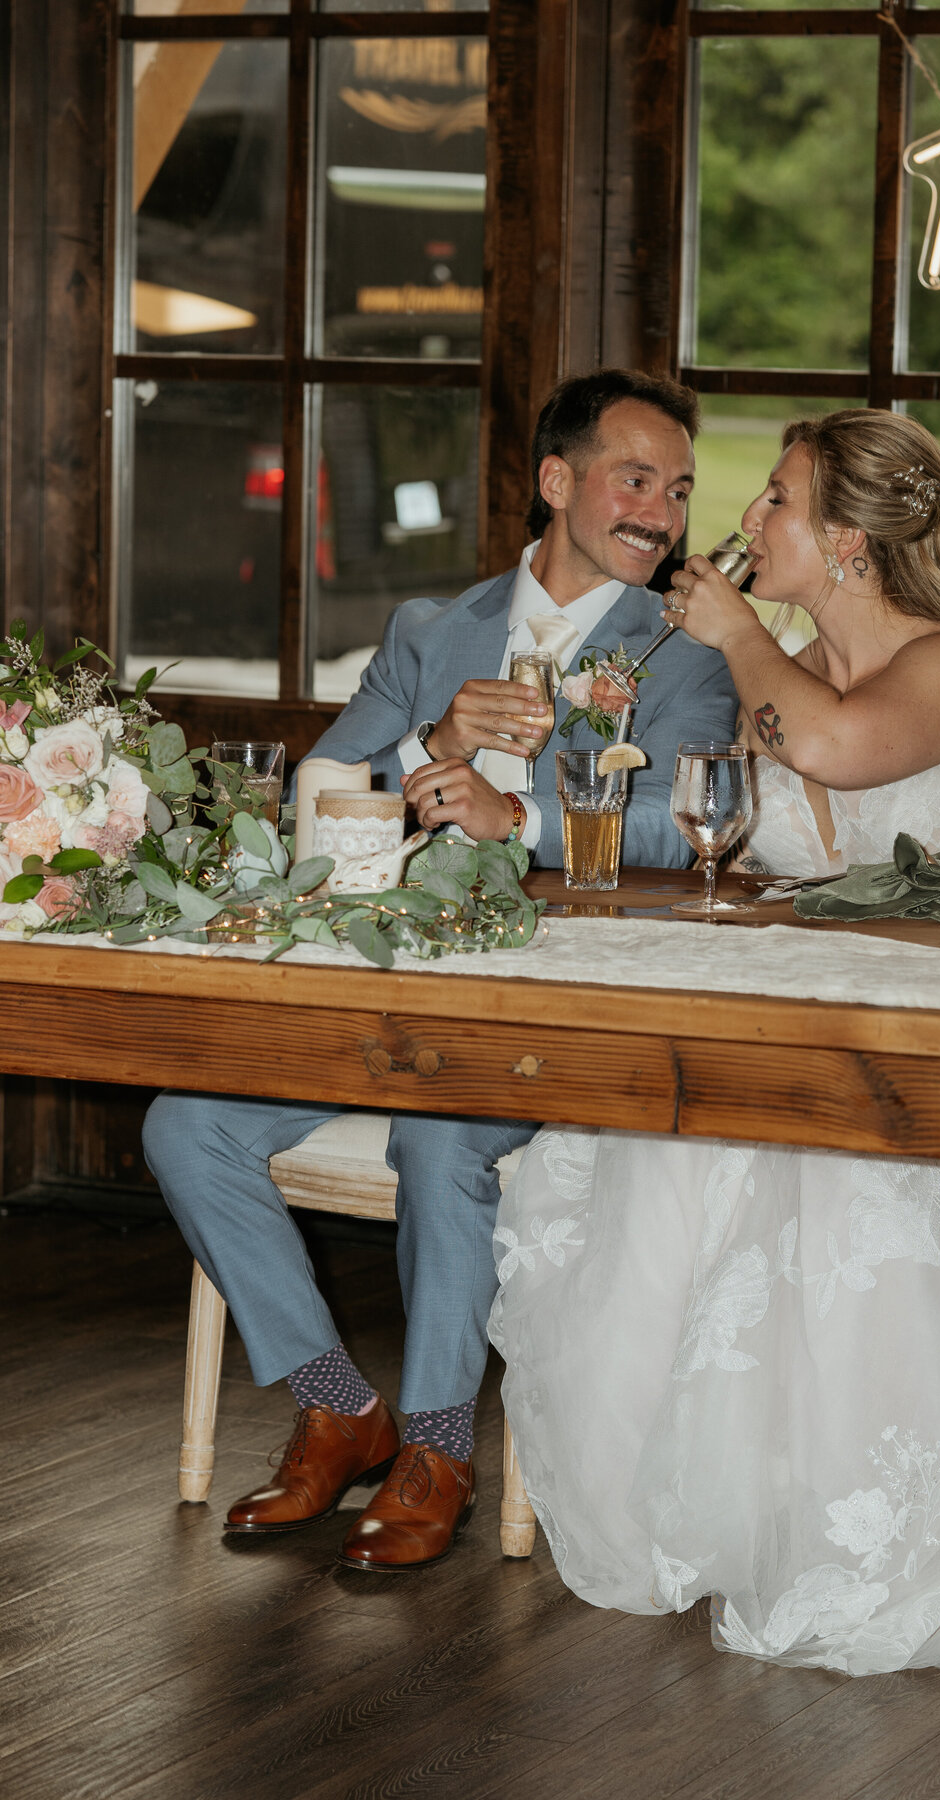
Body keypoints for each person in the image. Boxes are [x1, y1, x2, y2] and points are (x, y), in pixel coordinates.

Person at [490, 408, 940, 1676]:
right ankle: (729, 1508)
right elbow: (729, 814)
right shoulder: (782, 659)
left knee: (828, 1172)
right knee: (661, 1130)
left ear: (845, 540)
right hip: (796, 1020)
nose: (744, 522)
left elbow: (834, 753)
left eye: (774, 499)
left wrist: (737, 637)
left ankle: (887, 1524)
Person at [142, 368, 738, 1572]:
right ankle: (334, 1404)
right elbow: (310, 805)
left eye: (677, 490)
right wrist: (434, 742)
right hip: (388, 995)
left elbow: (685, 831)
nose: (662, 513)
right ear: (557, 483)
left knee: (437, 1138)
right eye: (636, 479)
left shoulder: (683, 653)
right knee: (183, 1123)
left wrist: (513, 824)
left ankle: (434, 1448)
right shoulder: (430, 630)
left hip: (556, 1009)